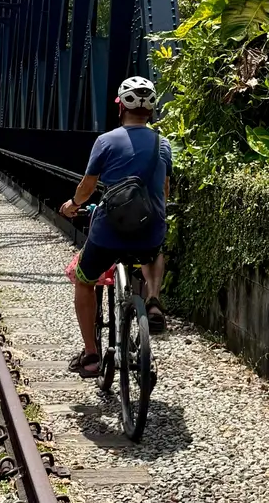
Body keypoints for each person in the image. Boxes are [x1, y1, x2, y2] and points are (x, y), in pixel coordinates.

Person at [61, 76, 171, 378]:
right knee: (155, 249)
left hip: (109, 234)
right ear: (151, 110)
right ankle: (152, 299)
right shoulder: (164, 145)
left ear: (120, 106)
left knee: (84, 279)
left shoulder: (106, 141)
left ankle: (92, 355)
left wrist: (73, 204)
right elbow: (164, 190)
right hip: (148, 233)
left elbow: (87, 186)